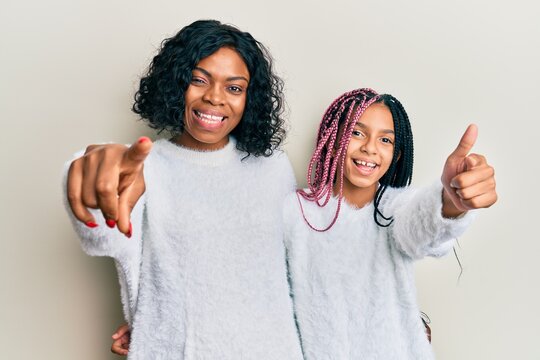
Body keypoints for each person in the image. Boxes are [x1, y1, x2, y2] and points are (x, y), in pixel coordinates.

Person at [64, 19, 303, 359]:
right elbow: (104, 236)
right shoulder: (145, 167)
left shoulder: (273, 166)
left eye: (234, 88)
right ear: (176, 85)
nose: (214, 98)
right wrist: (85, 173)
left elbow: (290, 271)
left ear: (250, 98)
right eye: (198, 80)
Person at [283, 88, 497, 359]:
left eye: (385, 140)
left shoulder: (395, 209)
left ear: (396, 155)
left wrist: (451, 202)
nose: (370, 148)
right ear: (335, 140)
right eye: (357, 133)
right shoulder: (294, 212)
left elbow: (420, 227)